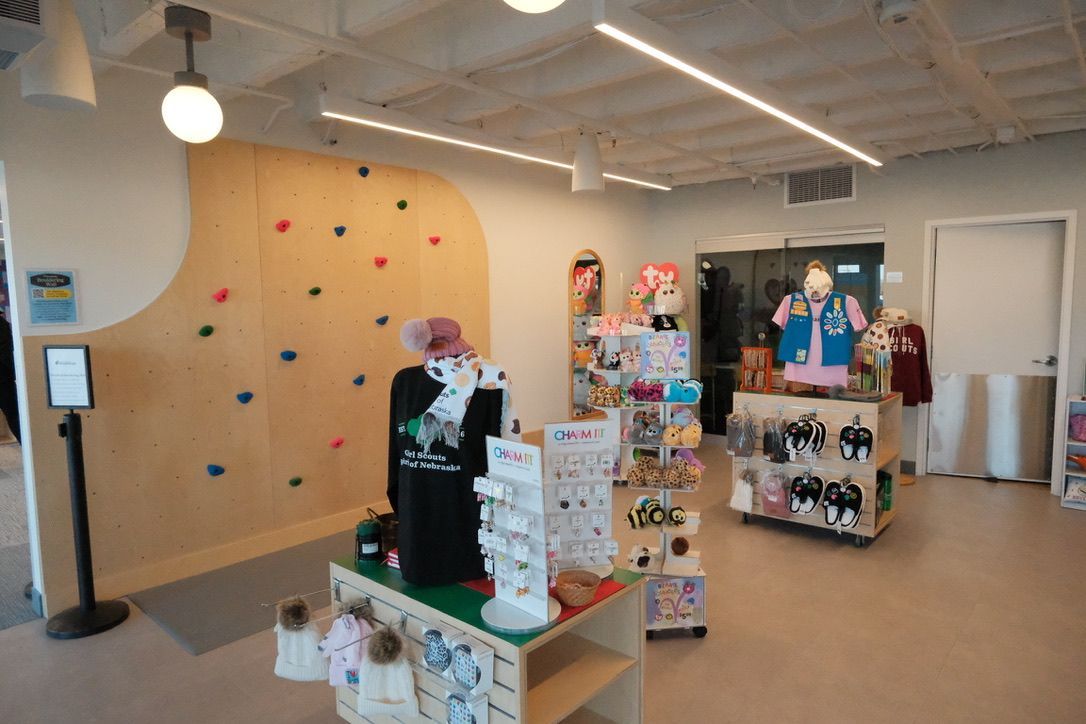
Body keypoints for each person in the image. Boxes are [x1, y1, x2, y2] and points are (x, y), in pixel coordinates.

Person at [388, 317, 520, 585]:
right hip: (460, 528)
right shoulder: (405, 381)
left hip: (427, 529)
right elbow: (509, 451)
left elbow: (396, 461)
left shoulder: (490, 381)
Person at [0, 315, 20, 444]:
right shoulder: (1, 324)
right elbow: (6, 352)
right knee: (15, 417)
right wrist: (18, 373)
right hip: (3, 381)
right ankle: (32, 453)